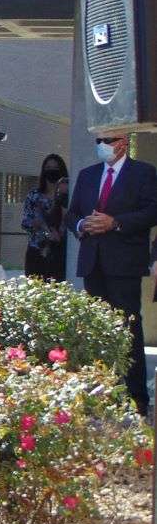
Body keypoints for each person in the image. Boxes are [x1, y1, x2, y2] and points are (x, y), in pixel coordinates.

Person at [65, 131, 157, 415]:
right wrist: (82, 225)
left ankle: (136, 397)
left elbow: (152, 212)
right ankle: (103, 394)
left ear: (123, 143)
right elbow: (72, 215)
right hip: (93, 262)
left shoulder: (143, 173)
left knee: (128, 327)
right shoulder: (88, 175)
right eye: (98, 142)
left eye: (108, 141)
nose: (102, 146)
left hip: (125, 262)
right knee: (98, 329)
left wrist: (114, 222)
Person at [22, 154, 70, 282]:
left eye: (55, 167)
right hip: (37, 251)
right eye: (48, 167)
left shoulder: (70, 197)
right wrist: (43, 230)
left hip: (61, 253)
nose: (52, 171)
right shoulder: (34, 196)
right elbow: (25, 222)